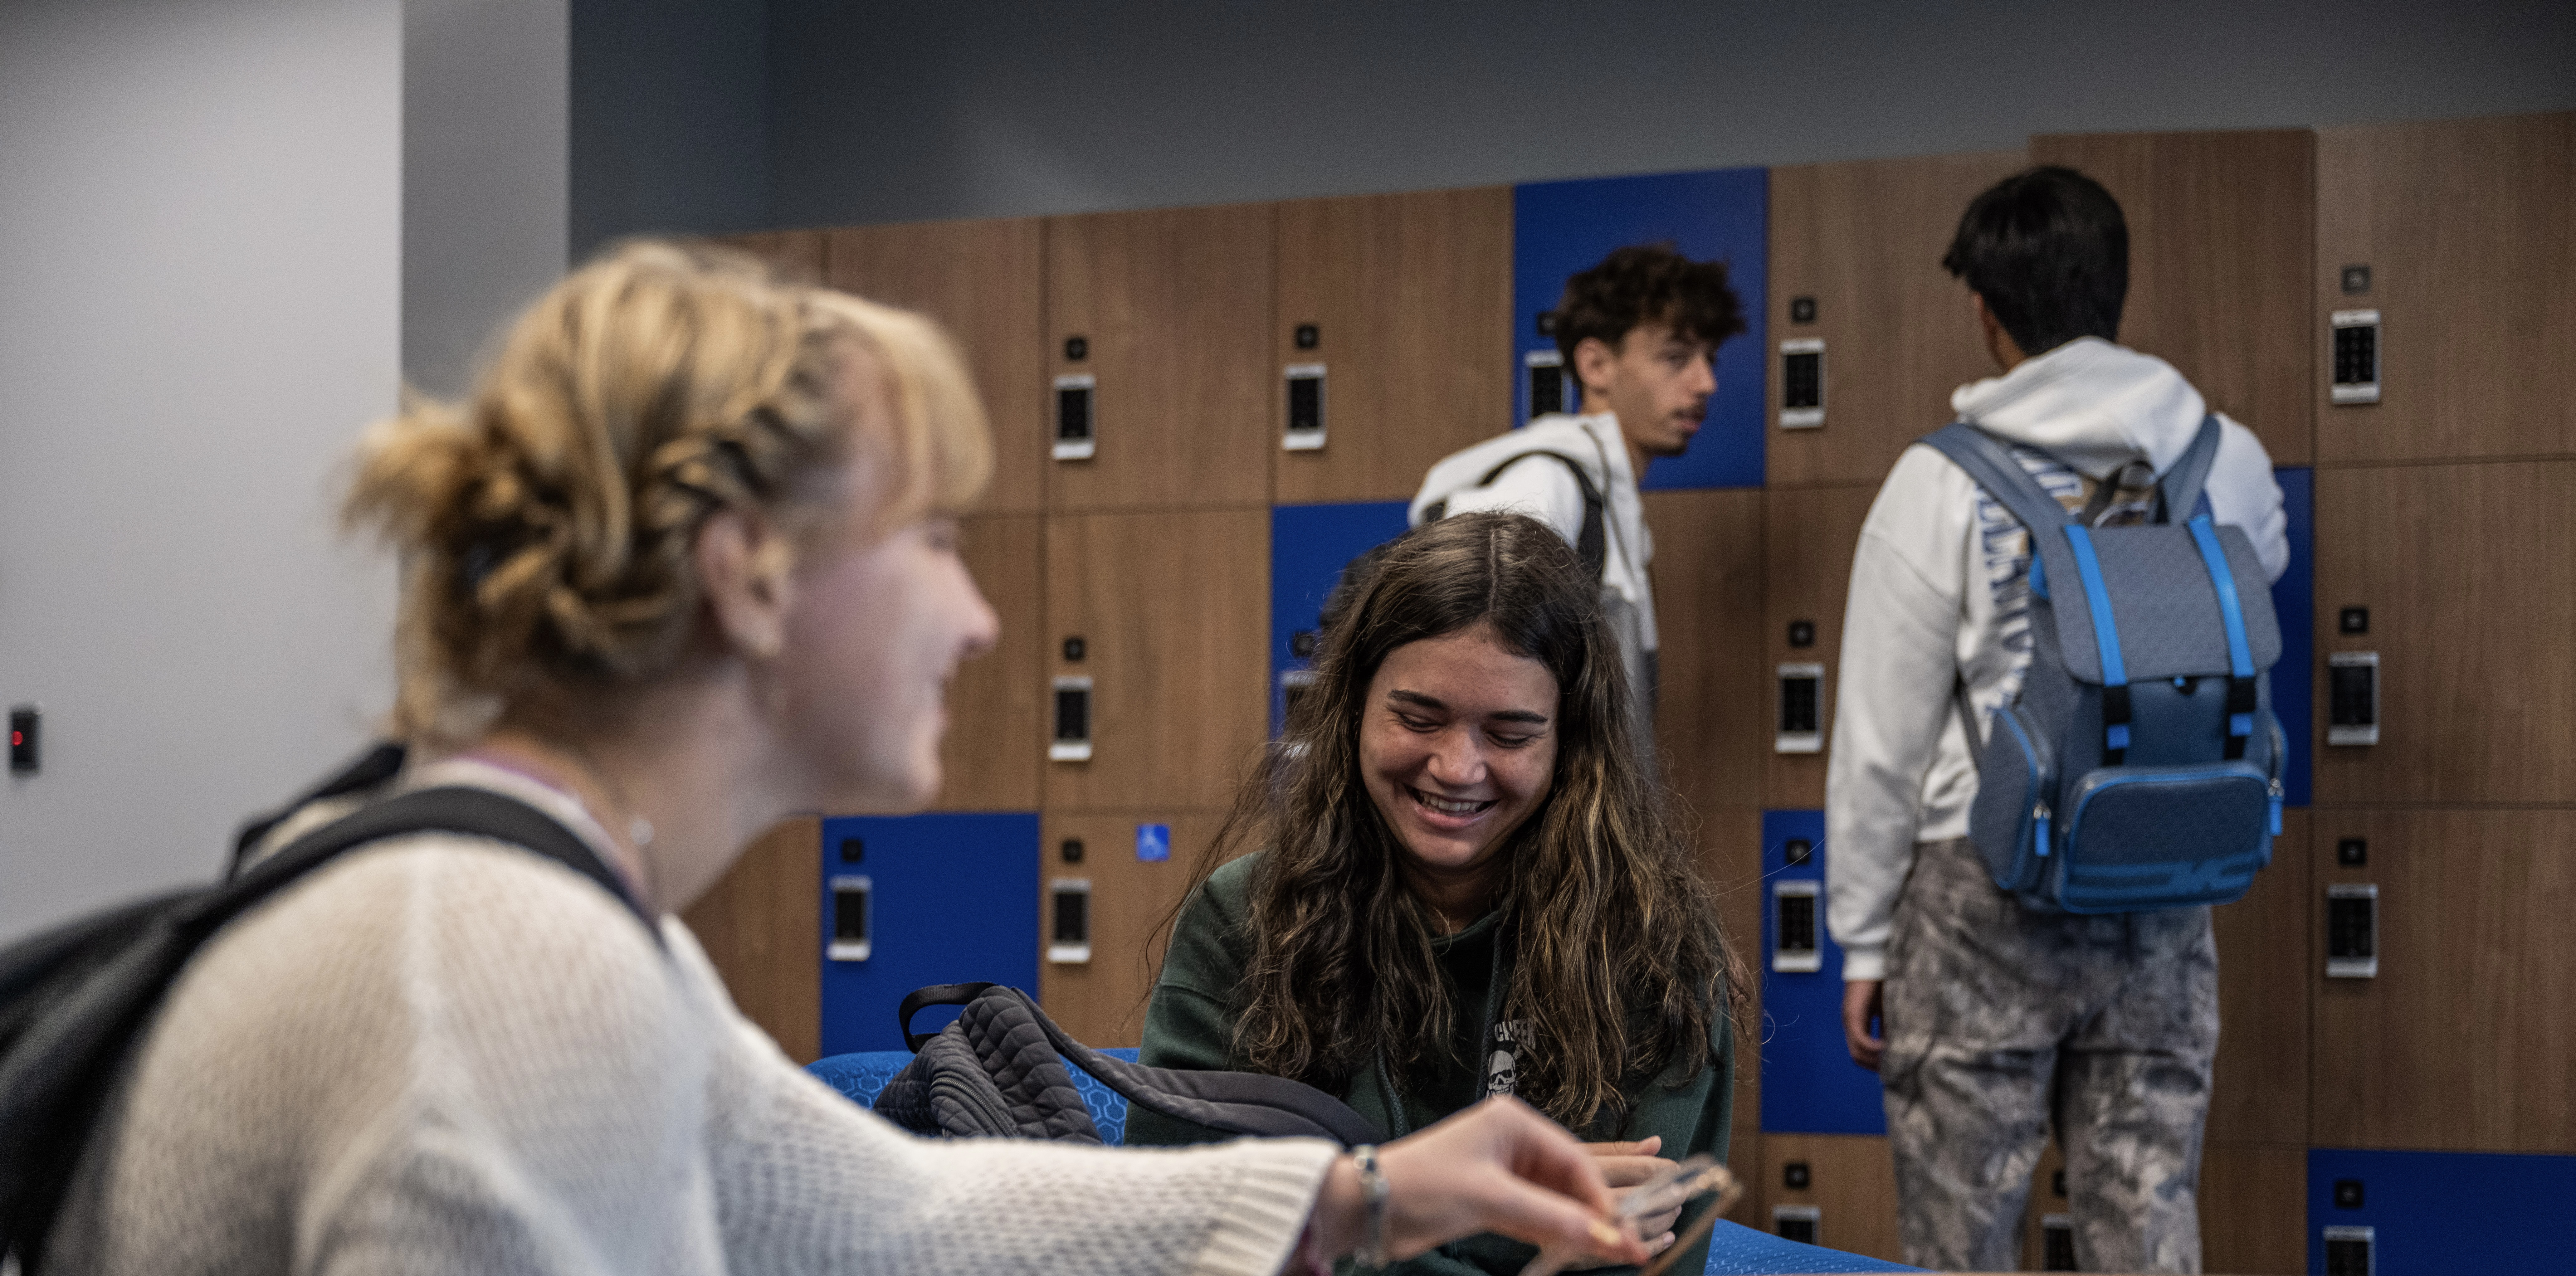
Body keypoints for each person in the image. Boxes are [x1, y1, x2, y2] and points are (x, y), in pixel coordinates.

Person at [42, 242, 1659, 1276]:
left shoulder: (540, 906)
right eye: (930, 536)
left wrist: (1373, 1195)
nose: (972, 615)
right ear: (752, 573)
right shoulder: (510, 976)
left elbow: (882, 1210)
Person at [1824, 166, 2289, 1273]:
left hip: (1980, 886)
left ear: (1984, 309)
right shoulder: (2228, 459)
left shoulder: (1936, 484)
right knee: (2146, 1209)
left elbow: (1879, 737)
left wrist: (1860, 938)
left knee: (1964, 1232)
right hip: (2165, 882)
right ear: (2113, 291)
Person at [1128, 511, 1749, 1276]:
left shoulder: (1657, 949)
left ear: (1570, 741)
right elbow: (1186, 1238)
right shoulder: (1242, 922)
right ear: (1353, 707)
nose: (1457, 767)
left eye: (1511, 734)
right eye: (1418, 717)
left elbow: (1652, 1258)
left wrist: (1345, 1225)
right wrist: (1522, 1236)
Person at [1409, 245, 1745, 746]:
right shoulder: (1547, 483)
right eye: (1676, 358)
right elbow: (1463, 660)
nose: (1706, 383)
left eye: (1709, 359)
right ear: (1595, 364)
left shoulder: (1607, 501)